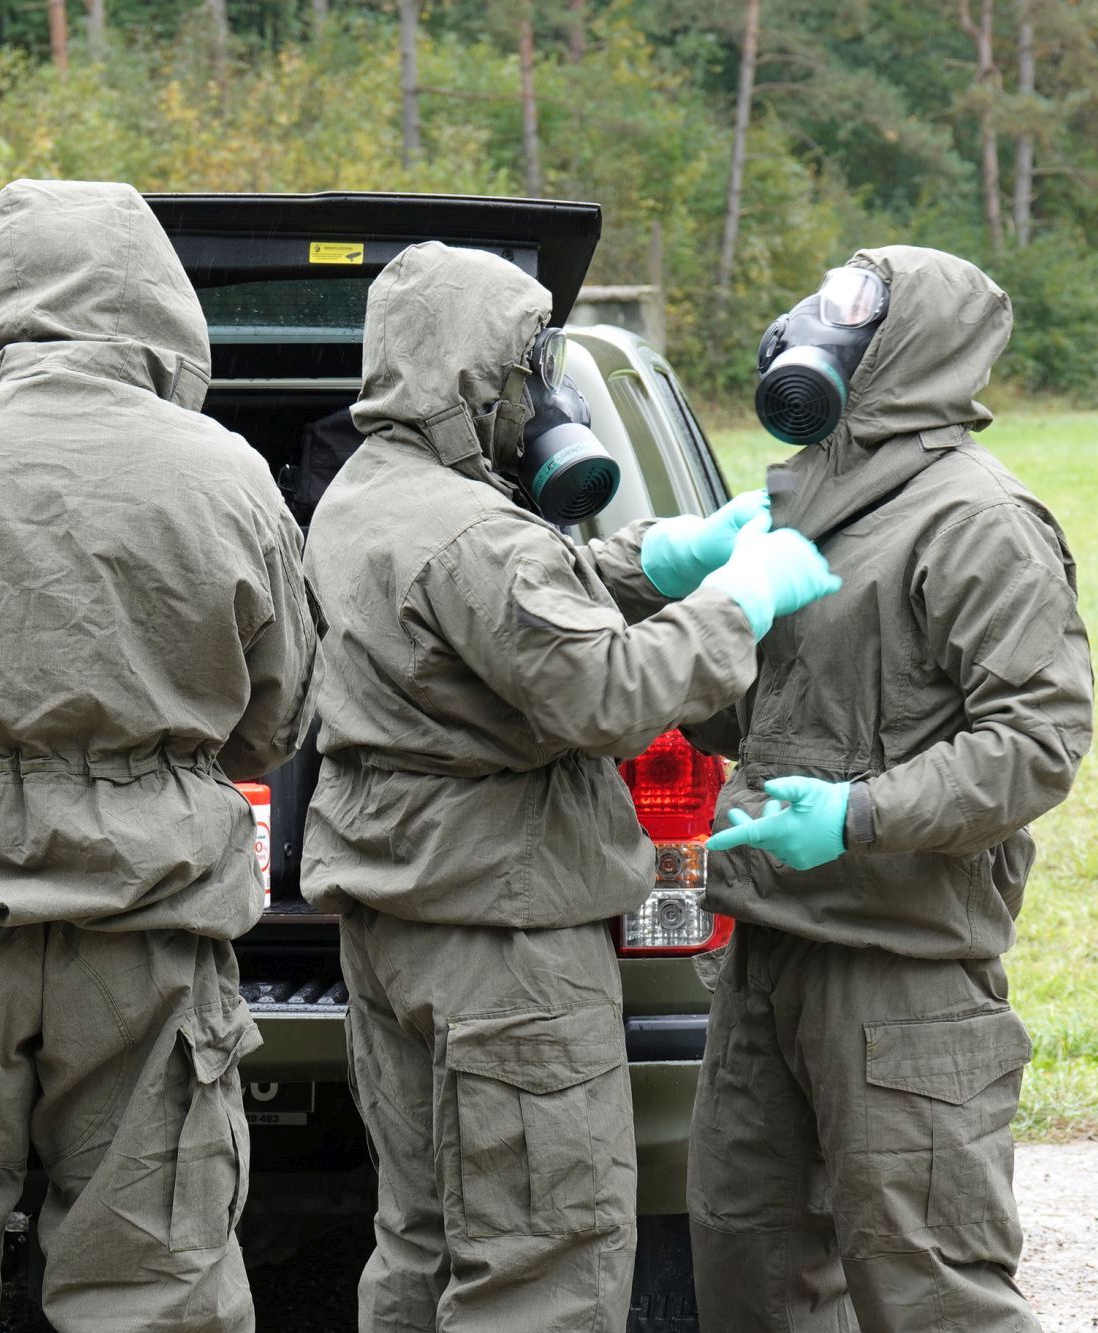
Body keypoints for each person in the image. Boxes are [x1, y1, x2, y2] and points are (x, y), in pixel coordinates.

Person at [0, 178, 316, 1333]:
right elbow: (275, 719)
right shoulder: (226, 471)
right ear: (159, 301)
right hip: (146, 929)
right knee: (152, 1287)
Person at [299, 240, 840, 1333]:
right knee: (543, 1257)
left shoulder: (363, 491)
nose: (541, 396)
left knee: (422, 1240)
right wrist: (737, 601)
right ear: (476, 376)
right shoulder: (477, 533)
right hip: (505, 942)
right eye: (528, 366)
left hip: (396, 918)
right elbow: (606, 693)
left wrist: (655, 560)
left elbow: (500, 614)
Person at [660, 246, 1093, 1331]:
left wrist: (858, 816)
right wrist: (683, 631)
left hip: (900, 971)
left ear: (914, 348)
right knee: (749, 1271)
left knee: (931, 1289)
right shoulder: (810, 502)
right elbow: (764, 714)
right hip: (765, 951)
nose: (818, 325)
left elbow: (1037, 739)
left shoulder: (976, 520)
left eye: (856, 307)